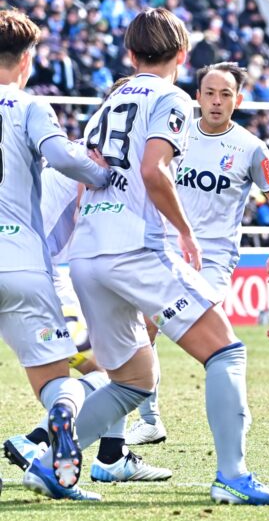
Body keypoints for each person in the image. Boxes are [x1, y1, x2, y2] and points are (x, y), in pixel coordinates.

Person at [23, 8, 269, 505]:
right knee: (227, 351)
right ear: (183, 55)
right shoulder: (170, 97)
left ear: (130, 53)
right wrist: (185, 232)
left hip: (88, 255)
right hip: (136, 249)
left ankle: (46, 465)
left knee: (133, 379)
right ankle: (232, 476)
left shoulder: (109, 102)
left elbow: (90, 170)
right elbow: (154, 171)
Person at [4, 78, 171, 484]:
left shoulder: (87, 152)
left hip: (41, 266)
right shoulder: (93, 161)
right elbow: (92, 212)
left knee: (123, 362)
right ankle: (39, 440)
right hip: (39, 272)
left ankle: (111, 455)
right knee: (120, 370)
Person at [126, 62, 269, 444]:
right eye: (210, 93)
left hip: (213, 260)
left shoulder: (250, 148)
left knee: (201, 331)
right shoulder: (174, 135)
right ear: (196, 96)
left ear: (240, 100)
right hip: (165, 250)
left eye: (226, 94)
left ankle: (232, 411)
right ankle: (150, 421)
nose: (217, 102)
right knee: (143, 329)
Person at [0, 9, 110, 501]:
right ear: (28, 59)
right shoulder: (29, 106)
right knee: (57, 380)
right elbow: (64, 158)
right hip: (19, 261)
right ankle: (61, 418)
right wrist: (101, 175)